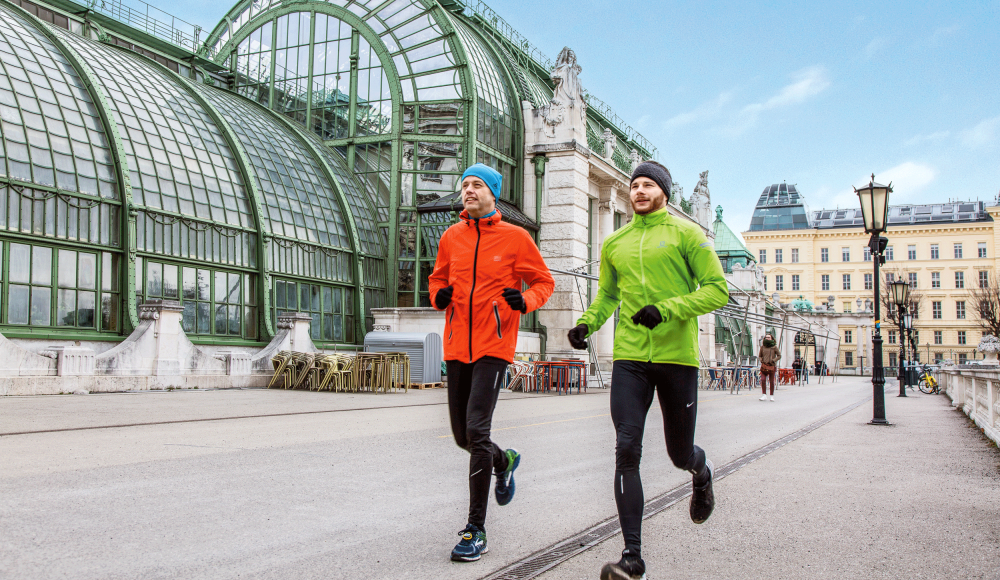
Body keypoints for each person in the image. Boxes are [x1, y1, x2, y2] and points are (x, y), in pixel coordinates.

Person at [566, 160, 728, 580]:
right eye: (634, 185)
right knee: (626, 448)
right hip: (631, 359)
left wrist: (669, 309)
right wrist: (587, 323)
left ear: (663, 192)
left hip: (677, 359)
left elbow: (717, 290)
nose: (638, 190)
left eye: (647, 185)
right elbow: (607, 297)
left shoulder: (686, 234)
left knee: (679, 453)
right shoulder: (615, 243)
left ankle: (701, 472)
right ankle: (632, 557)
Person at [428, 163, 554, 563]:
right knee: (463, 438)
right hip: (456, 347)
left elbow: (543, 282)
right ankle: (506, 460)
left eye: (476, 184)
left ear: (492, 192)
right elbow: (437, 279)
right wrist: (439, 297)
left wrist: (526, 301)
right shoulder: (451, 236)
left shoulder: (516, 238)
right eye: (464, 184)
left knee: (478, 431)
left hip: (494, 345)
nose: (468, 189)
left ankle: (475, 529)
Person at [759, 334, 780, 401]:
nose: (767, 338)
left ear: (771, 338)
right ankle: (764, 394)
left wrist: (773, 360)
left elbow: (779, 355)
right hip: (764, 366)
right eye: (766, 337)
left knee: (771, 381)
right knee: (763, 380)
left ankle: (771, 395)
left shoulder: (774, 347)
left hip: (771, 366)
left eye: (769, 337)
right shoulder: (762, 347)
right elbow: (760, 356)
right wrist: (761, 360)